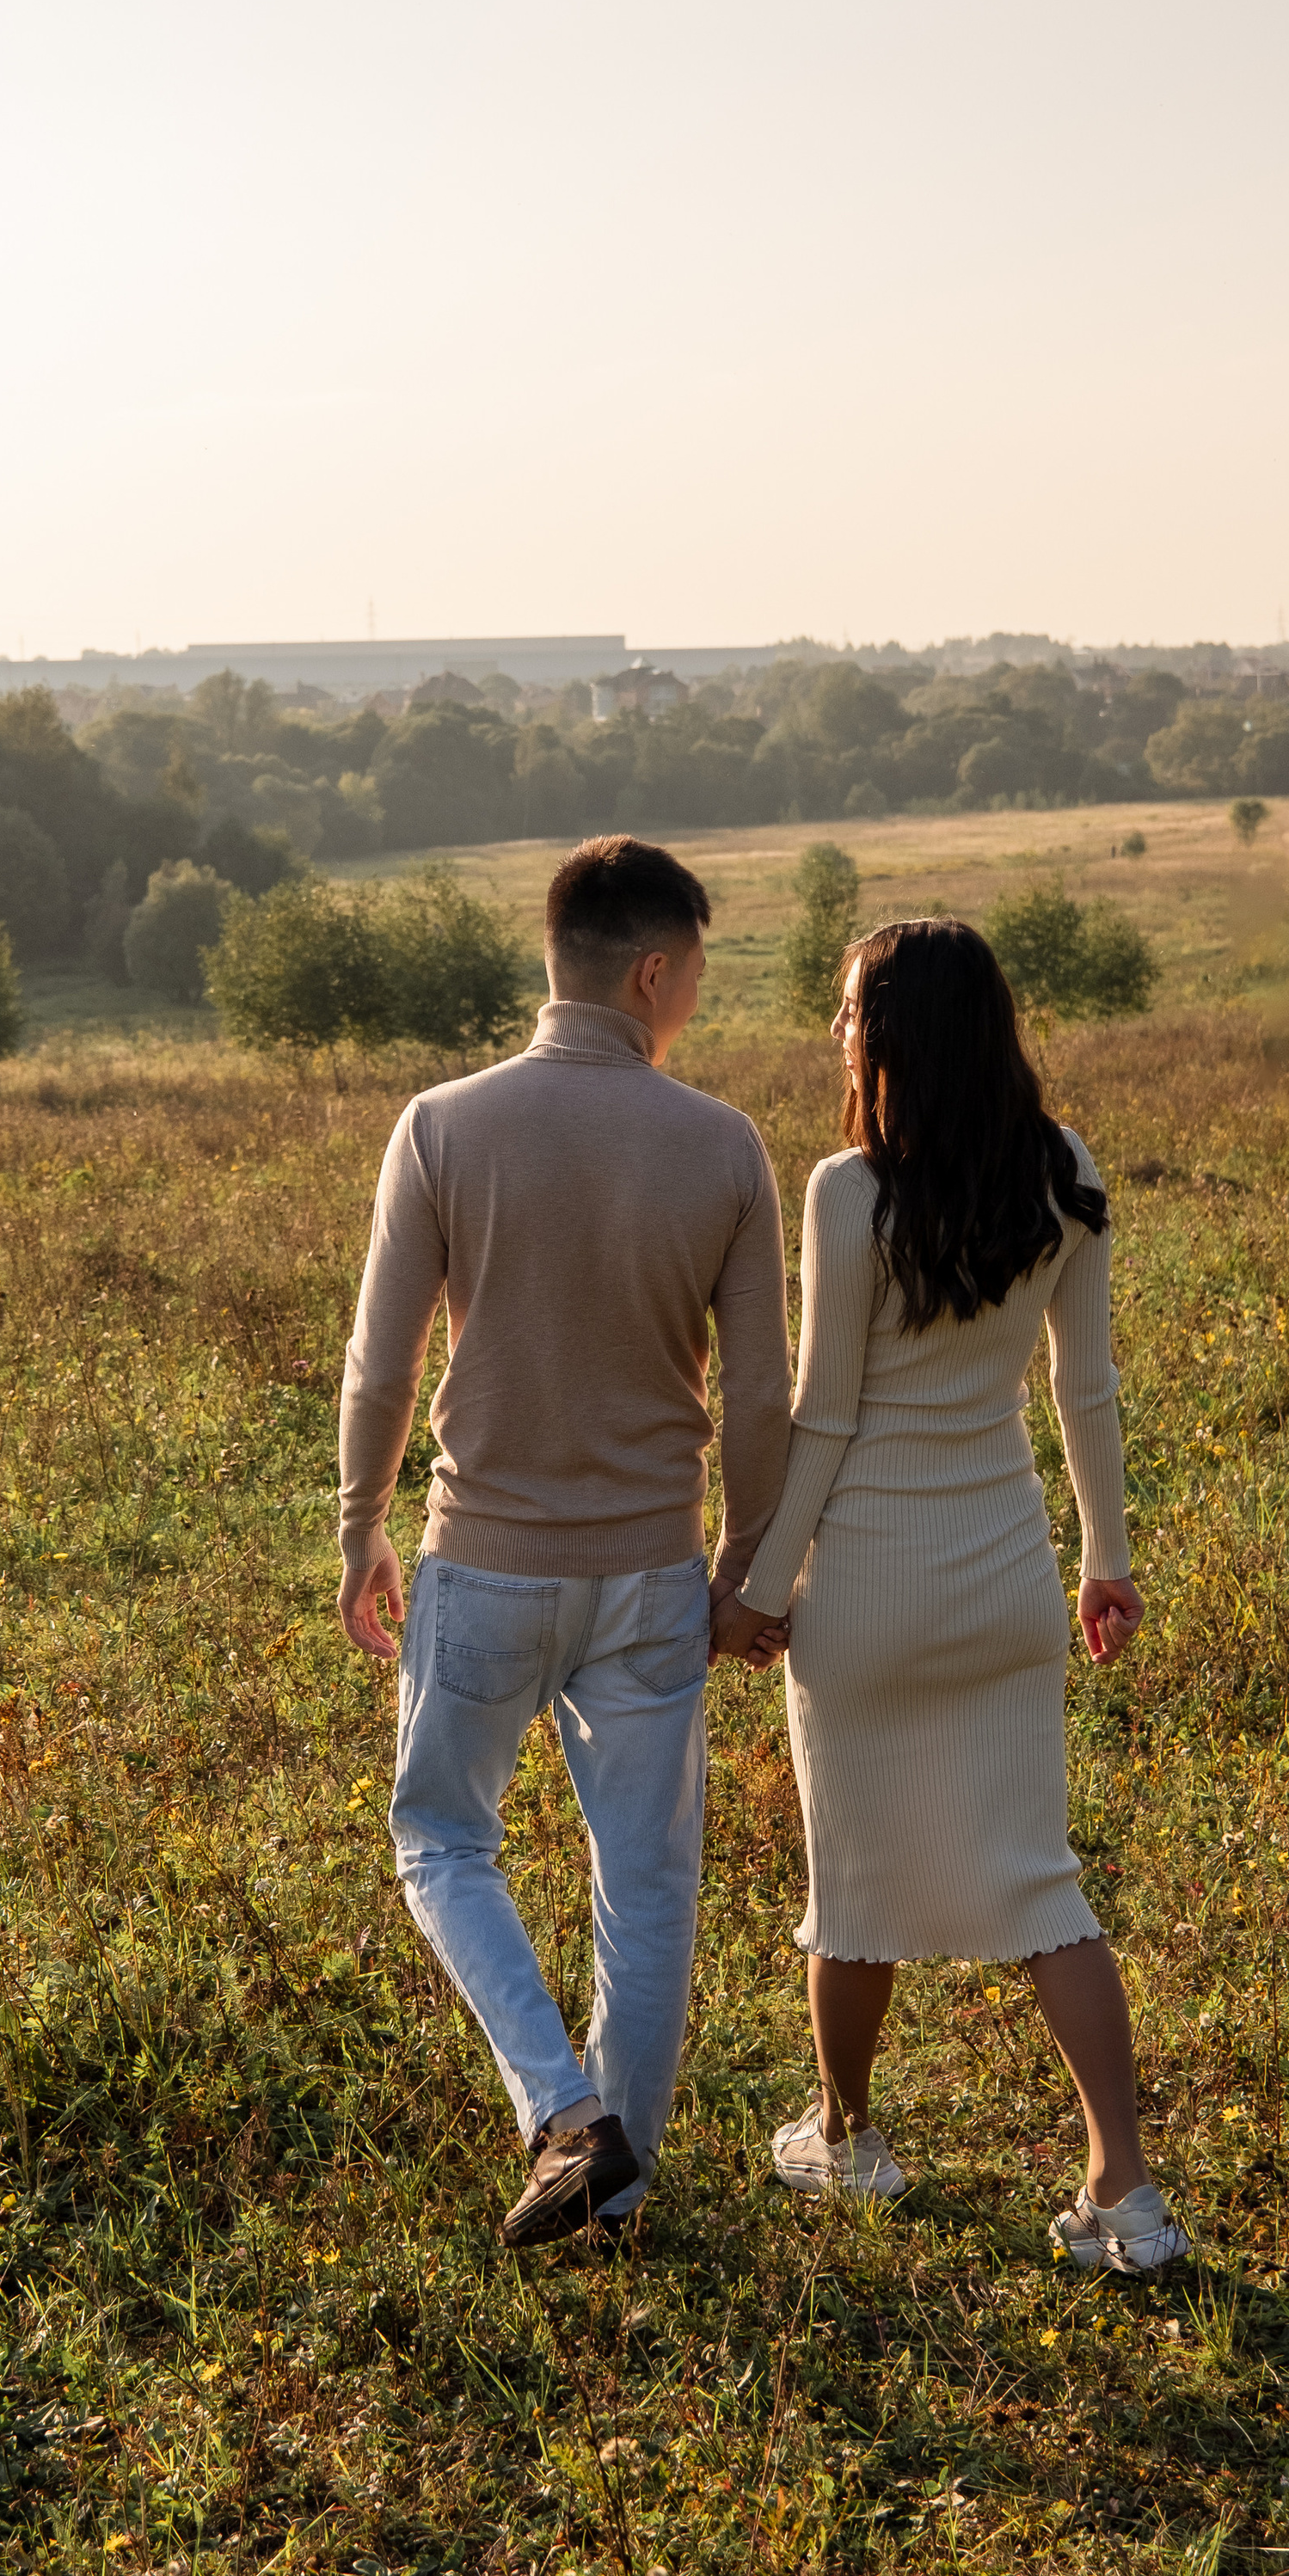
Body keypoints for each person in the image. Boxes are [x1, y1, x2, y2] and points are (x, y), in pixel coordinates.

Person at [338, 836, 791, 2250]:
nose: (696, 1000)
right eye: (697, 976)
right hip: (653, 1574)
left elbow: (379, 1363)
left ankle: (561, 2112)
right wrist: (748, 1571)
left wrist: (360, 1524)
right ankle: (621, 2199)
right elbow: (765, 1392)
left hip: (482, 1560)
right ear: (653, 972)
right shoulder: (720, 1145)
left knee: (440, 1841)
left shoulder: (442, 1124)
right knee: (647, 1889)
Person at [734, 917, 1188, 2274]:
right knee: (1040, 1887)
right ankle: (1128, 2192)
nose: (836, 1033)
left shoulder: (845, 1191)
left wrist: (757, 1589)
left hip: (863, 1589)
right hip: (1005, 1580)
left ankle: (847, 2132)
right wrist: (1106, 1558)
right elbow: (1084, 1392)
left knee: (854, 1884)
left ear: (898, 1034)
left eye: (850, 1011)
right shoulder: (1065, 1173)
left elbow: (823, 1418)